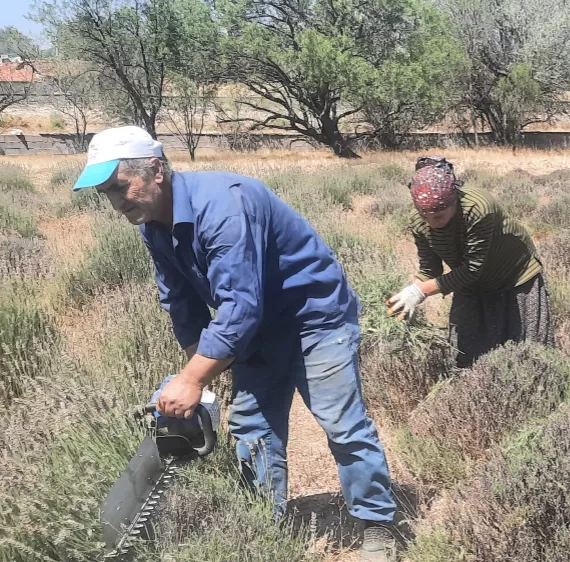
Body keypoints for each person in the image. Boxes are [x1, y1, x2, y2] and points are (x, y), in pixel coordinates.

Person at [72, 126, 397, 562]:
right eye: (106, 194)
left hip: (314, 318)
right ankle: (265, 523)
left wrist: (191, 380)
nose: (116, 203)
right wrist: (201, 375)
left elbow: (241, 306)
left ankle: (377, 521)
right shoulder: (152, 225)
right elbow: (182, 304)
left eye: (120, 187)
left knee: (342, 423)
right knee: (252, 427)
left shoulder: (223, 206)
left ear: (155, 170)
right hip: (257, 329)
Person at [388, 156, 555, 368]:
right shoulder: (418, 222)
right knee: (467, 356)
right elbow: (430, 268)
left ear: (454, 201)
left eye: (438, 216)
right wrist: (409, 292)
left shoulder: (477, 208)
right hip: (470, 284)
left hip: (514, 277)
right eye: (424, 215)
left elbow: (472, 269)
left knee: (527, 355)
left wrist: (422, 291)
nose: (431, 222)